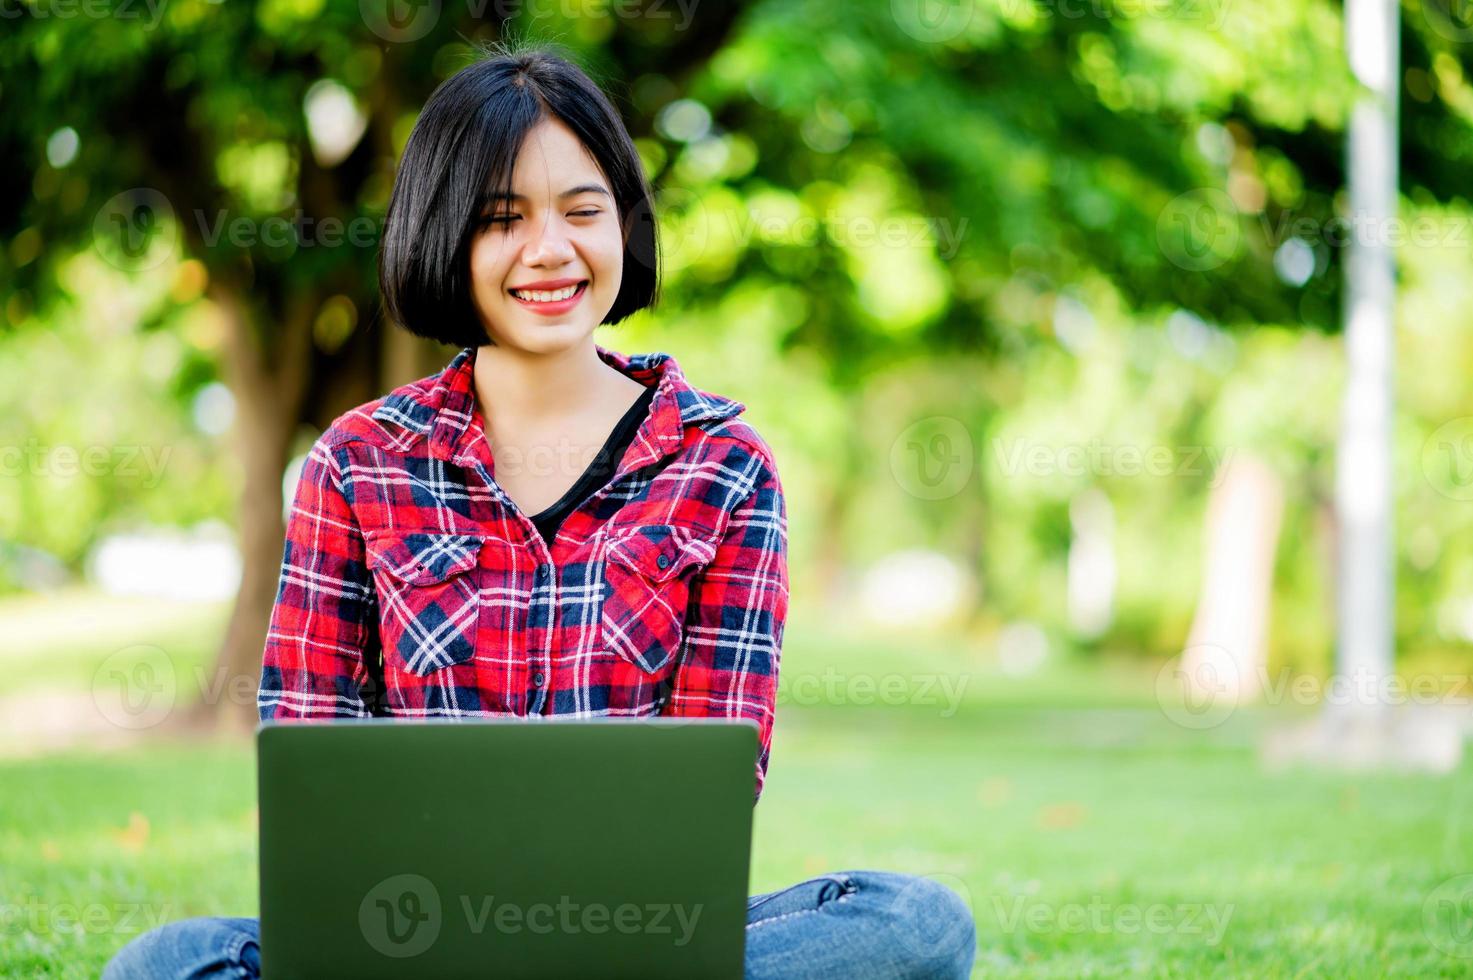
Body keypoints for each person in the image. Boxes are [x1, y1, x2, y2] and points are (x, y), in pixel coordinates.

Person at [103, 44, 976, 979]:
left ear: (624, 229)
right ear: (446, 236)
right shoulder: (357, 462)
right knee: (163, 961)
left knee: (916, 921)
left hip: (633, 938)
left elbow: (718, 785)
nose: (550, 250)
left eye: (582, 211)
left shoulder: (724, 467)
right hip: (410, 935)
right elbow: (310, 756)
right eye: (501, 220)